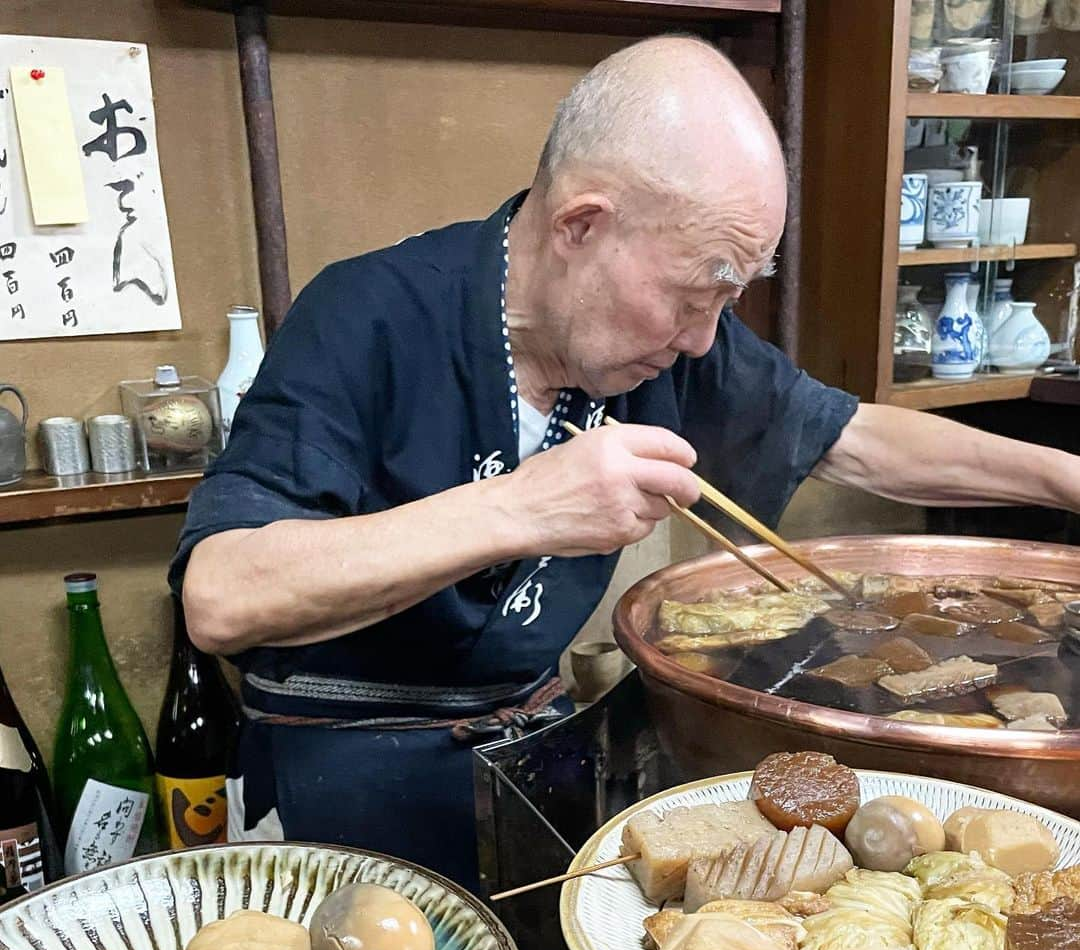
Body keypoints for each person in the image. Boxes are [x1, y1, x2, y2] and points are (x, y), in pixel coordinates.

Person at [173, 36, 1080, 891]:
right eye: (694, 294)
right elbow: (222, 595)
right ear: (582, 224)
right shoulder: (366, 314)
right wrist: (522, 509)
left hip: (536, 752)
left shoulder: (682, 338)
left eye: (730, 297)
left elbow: (855, 437)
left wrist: (1064, 479)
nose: (702, 339)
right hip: (346, 783)